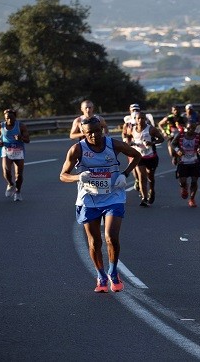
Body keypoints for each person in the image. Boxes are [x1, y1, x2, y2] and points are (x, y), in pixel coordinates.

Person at [59, 116, 141, 292]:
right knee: (95, 242)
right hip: (89, 199)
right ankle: (101, 275)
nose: (95, 135)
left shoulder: (113, 144)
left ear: (102, 129)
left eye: (98, 131)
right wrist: (78, 177)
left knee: (111, 237)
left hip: (113, 196)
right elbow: (63, 175)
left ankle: (113, 272)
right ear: (83, 133)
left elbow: (137, 155)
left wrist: (125, 174)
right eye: (90, 133)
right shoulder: (77, 149)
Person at [126, 111, 165, 206]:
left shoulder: (151, 129)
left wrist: (152, 143)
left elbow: (161, 139)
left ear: (145, 119)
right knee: (142, 177)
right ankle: (144, 198)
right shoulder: (132, 129)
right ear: (135, 120)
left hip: (151, 157)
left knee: (150, 177)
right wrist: (130, 143)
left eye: (142, 118)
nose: (140, 120)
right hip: (139, 157)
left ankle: (152, 190)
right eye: (138, 118)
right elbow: (128, 137)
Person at [0, 109, 30, 201]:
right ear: (5, 118)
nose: (9, 120)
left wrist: (21, 138)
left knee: (19, 175)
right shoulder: (0, 126)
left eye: (11, 118)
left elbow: (28, 140)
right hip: (6, 150)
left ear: (15, 117)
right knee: (6, 171)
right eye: (7, 118)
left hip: (18, 151)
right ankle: (10, 184)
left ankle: (18, 192)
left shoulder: (21, 126)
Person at [171, 122, 200, 208]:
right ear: (185, 128)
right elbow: (173, 143)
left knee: (194, 181)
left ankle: (192, 199)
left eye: (192, 128)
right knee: (182, 181)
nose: (190, 130)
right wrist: (177, 150)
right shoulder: (180, 135)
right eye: (188, 128)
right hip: (183, 162)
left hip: (194, 161)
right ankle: (184, 187)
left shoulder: (198, 136)